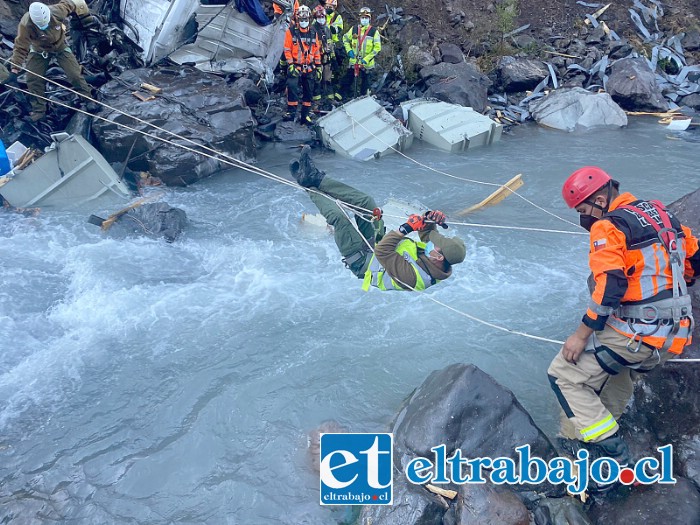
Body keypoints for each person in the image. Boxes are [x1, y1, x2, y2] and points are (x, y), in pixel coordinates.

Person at [547, 166, 700, 480]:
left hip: (640, 334)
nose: (584, 218)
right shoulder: (660, 214)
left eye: (584, 210)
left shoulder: (608, 227)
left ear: (601, 199)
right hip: (677, 334)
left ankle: (611, 448)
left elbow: (611, 287)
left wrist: (580, 335)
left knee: (563, 374)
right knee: (616, 378)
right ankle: (590, 439)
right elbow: (695, 262)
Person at [289, 146, 466, 289]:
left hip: (364, 261)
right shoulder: (438, 258)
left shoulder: (414, 277)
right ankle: (315, 178)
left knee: (339, 218)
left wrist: (406, 228)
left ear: (439, 257)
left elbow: (383, 252)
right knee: (367, 203)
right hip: (377, 246)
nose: (432, 245)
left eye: (436, 246)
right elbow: (427, 236)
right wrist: (430, 218)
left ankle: (308, 186)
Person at [10, 0, 99, 121]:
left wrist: (83, 18)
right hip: (39, 50)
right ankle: (39, 111)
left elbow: (75, 3)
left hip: (60, 46)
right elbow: (21, 46)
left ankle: (88, 99)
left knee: (74, 75)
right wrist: (15, 68)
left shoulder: (58, 11)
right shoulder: (26, 25)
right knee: (32, 79)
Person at [283, 5, 321, 125]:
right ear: (297, 19)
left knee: (308, 91)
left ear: (309, 19)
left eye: (306, 20)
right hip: (295, 66)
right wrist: (290, 64)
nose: (303, 22)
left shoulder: (313, 32)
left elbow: (316, 51)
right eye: (301, 20)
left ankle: (305, 115)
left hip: (309, 67)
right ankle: (291, 113)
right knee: (292, 88)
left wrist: (319, 66)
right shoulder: (291, 32)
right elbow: (287, 49)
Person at [340, 6, 381, 100]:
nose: (364, 19)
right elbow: (345, 39)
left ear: (369, 18)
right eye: (362, 18)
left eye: (366, 18)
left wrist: (366, 59)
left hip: (367, 64)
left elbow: (377, 48)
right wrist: (349, 50)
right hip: (354, 61)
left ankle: (363, 99)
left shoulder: (374, 32)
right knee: (347, 79)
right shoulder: (354, 29)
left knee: (365, 83)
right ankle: (341, 96)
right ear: (359, 18)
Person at [311, 5, 335, 111]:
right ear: (315, 18)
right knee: (317, 80)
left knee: (328, 80)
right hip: (317, 61)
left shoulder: (327, 29)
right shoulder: (312, 30)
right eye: (319, 17)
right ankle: (316, 102)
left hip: (327, 59)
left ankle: (330, 100)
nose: (322, 19)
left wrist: (333, 57)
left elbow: (330, 43)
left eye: (323, 17)